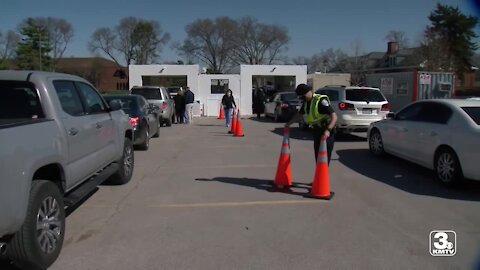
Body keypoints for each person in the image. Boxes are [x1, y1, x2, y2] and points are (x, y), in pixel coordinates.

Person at [285, 84, 338, 164]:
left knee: (325, 157)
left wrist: (328, 130)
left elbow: (334, 117)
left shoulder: (320, 101)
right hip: (317, 131)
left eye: (302, 95)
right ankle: (319, 175)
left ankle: (323, 175)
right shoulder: (306, 103)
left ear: (308, 92)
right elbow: (299, 115)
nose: (302, 98)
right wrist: (288, 124)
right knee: (318, 156)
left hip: (326, 132)